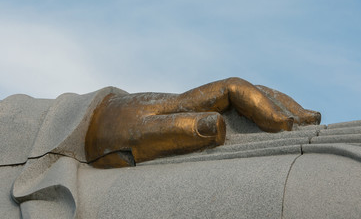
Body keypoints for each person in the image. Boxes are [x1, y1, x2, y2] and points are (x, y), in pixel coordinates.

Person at [85, 77, 321, 168]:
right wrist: (99, 124)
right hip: (97, 131)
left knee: (245, 98)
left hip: (110, 114)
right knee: (210, 125)